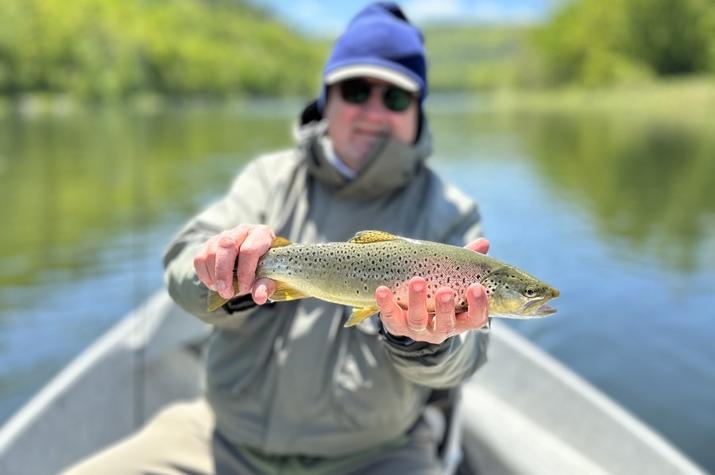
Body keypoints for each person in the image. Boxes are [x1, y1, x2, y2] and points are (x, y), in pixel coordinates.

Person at [63, 3, 491, 474]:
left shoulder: (451, 214)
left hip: (375, 457)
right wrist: (216, 272)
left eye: (394, 97)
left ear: (417, 109)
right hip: (219, 442)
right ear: (328, 96)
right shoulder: (269, 179)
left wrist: (425, 343)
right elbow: (182, 264)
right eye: (355, 90)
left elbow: (466, 358)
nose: (373, 111)